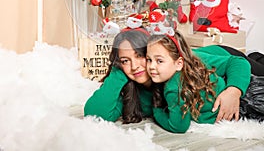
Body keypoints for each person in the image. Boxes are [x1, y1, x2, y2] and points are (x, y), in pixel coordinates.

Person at [84, 27, 252, 125]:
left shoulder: (181, 64)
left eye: (139, 56)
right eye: (126, 60)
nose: (135, 67)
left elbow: (236, 63)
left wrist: (233, 91)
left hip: (225, 55)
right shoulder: (130, 88)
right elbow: (94, 114)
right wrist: (118, 69)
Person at [146, 31, 264, 133]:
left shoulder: (196, 63)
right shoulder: (169, 73)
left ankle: (255, 55)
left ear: (179, 63)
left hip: (231, 59)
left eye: (159, 61)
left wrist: (233, 91)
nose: (151, 66)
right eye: (148, 60)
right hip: (232, 82)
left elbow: (237, 63)